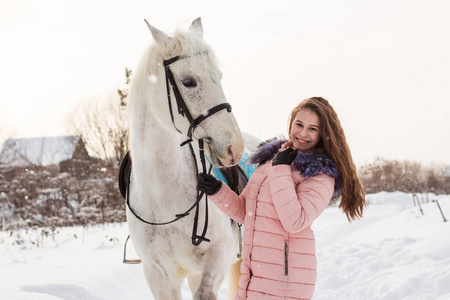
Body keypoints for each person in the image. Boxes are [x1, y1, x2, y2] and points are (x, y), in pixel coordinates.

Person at [197, 97, 366, 300]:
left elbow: (295, 221)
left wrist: (280, 169)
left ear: (323, 134)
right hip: (255, 276)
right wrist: (217, 191)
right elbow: (247, 213)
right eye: (299, 124)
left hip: (285, 283)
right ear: (291, 122)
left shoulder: (320, 175)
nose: (303, 133)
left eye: (313, 129)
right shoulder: (272, 160)